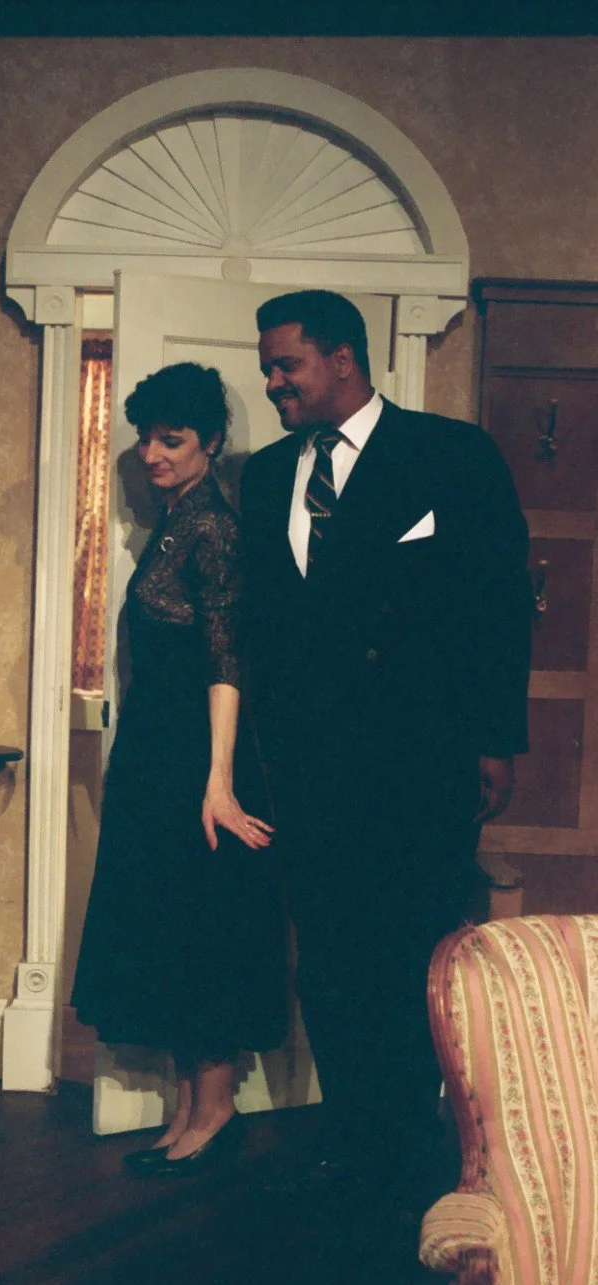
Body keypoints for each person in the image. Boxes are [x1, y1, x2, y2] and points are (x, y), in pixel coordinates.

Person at [240, 289, 532, 1213]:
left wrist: (497, 739)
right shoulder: (265, 476)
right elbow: (264, 626)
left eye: (286, 364)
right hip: (312, 769)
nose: (272, 381)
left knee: (416, 954)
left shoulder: (451, 454)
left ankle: (418, 1147)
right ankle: (355, 1133)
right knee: (328, 959)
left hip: (421, 762)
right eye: (268, 366)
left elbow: (498, 602)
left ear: (343, 359)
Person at [71, 362, 288, 1176]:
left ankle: (217, 1111)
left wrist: (220, 778)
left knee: (211, 928)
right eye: (145, 437)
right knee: (174, 927)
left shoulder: (215, 530)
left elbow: (229, 660)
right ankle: (191, 1113)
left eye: (173, 439)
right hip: (159, 759)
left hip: (203, 762)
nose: (152, 453)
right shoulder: (172, 522)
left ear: (212, 444)